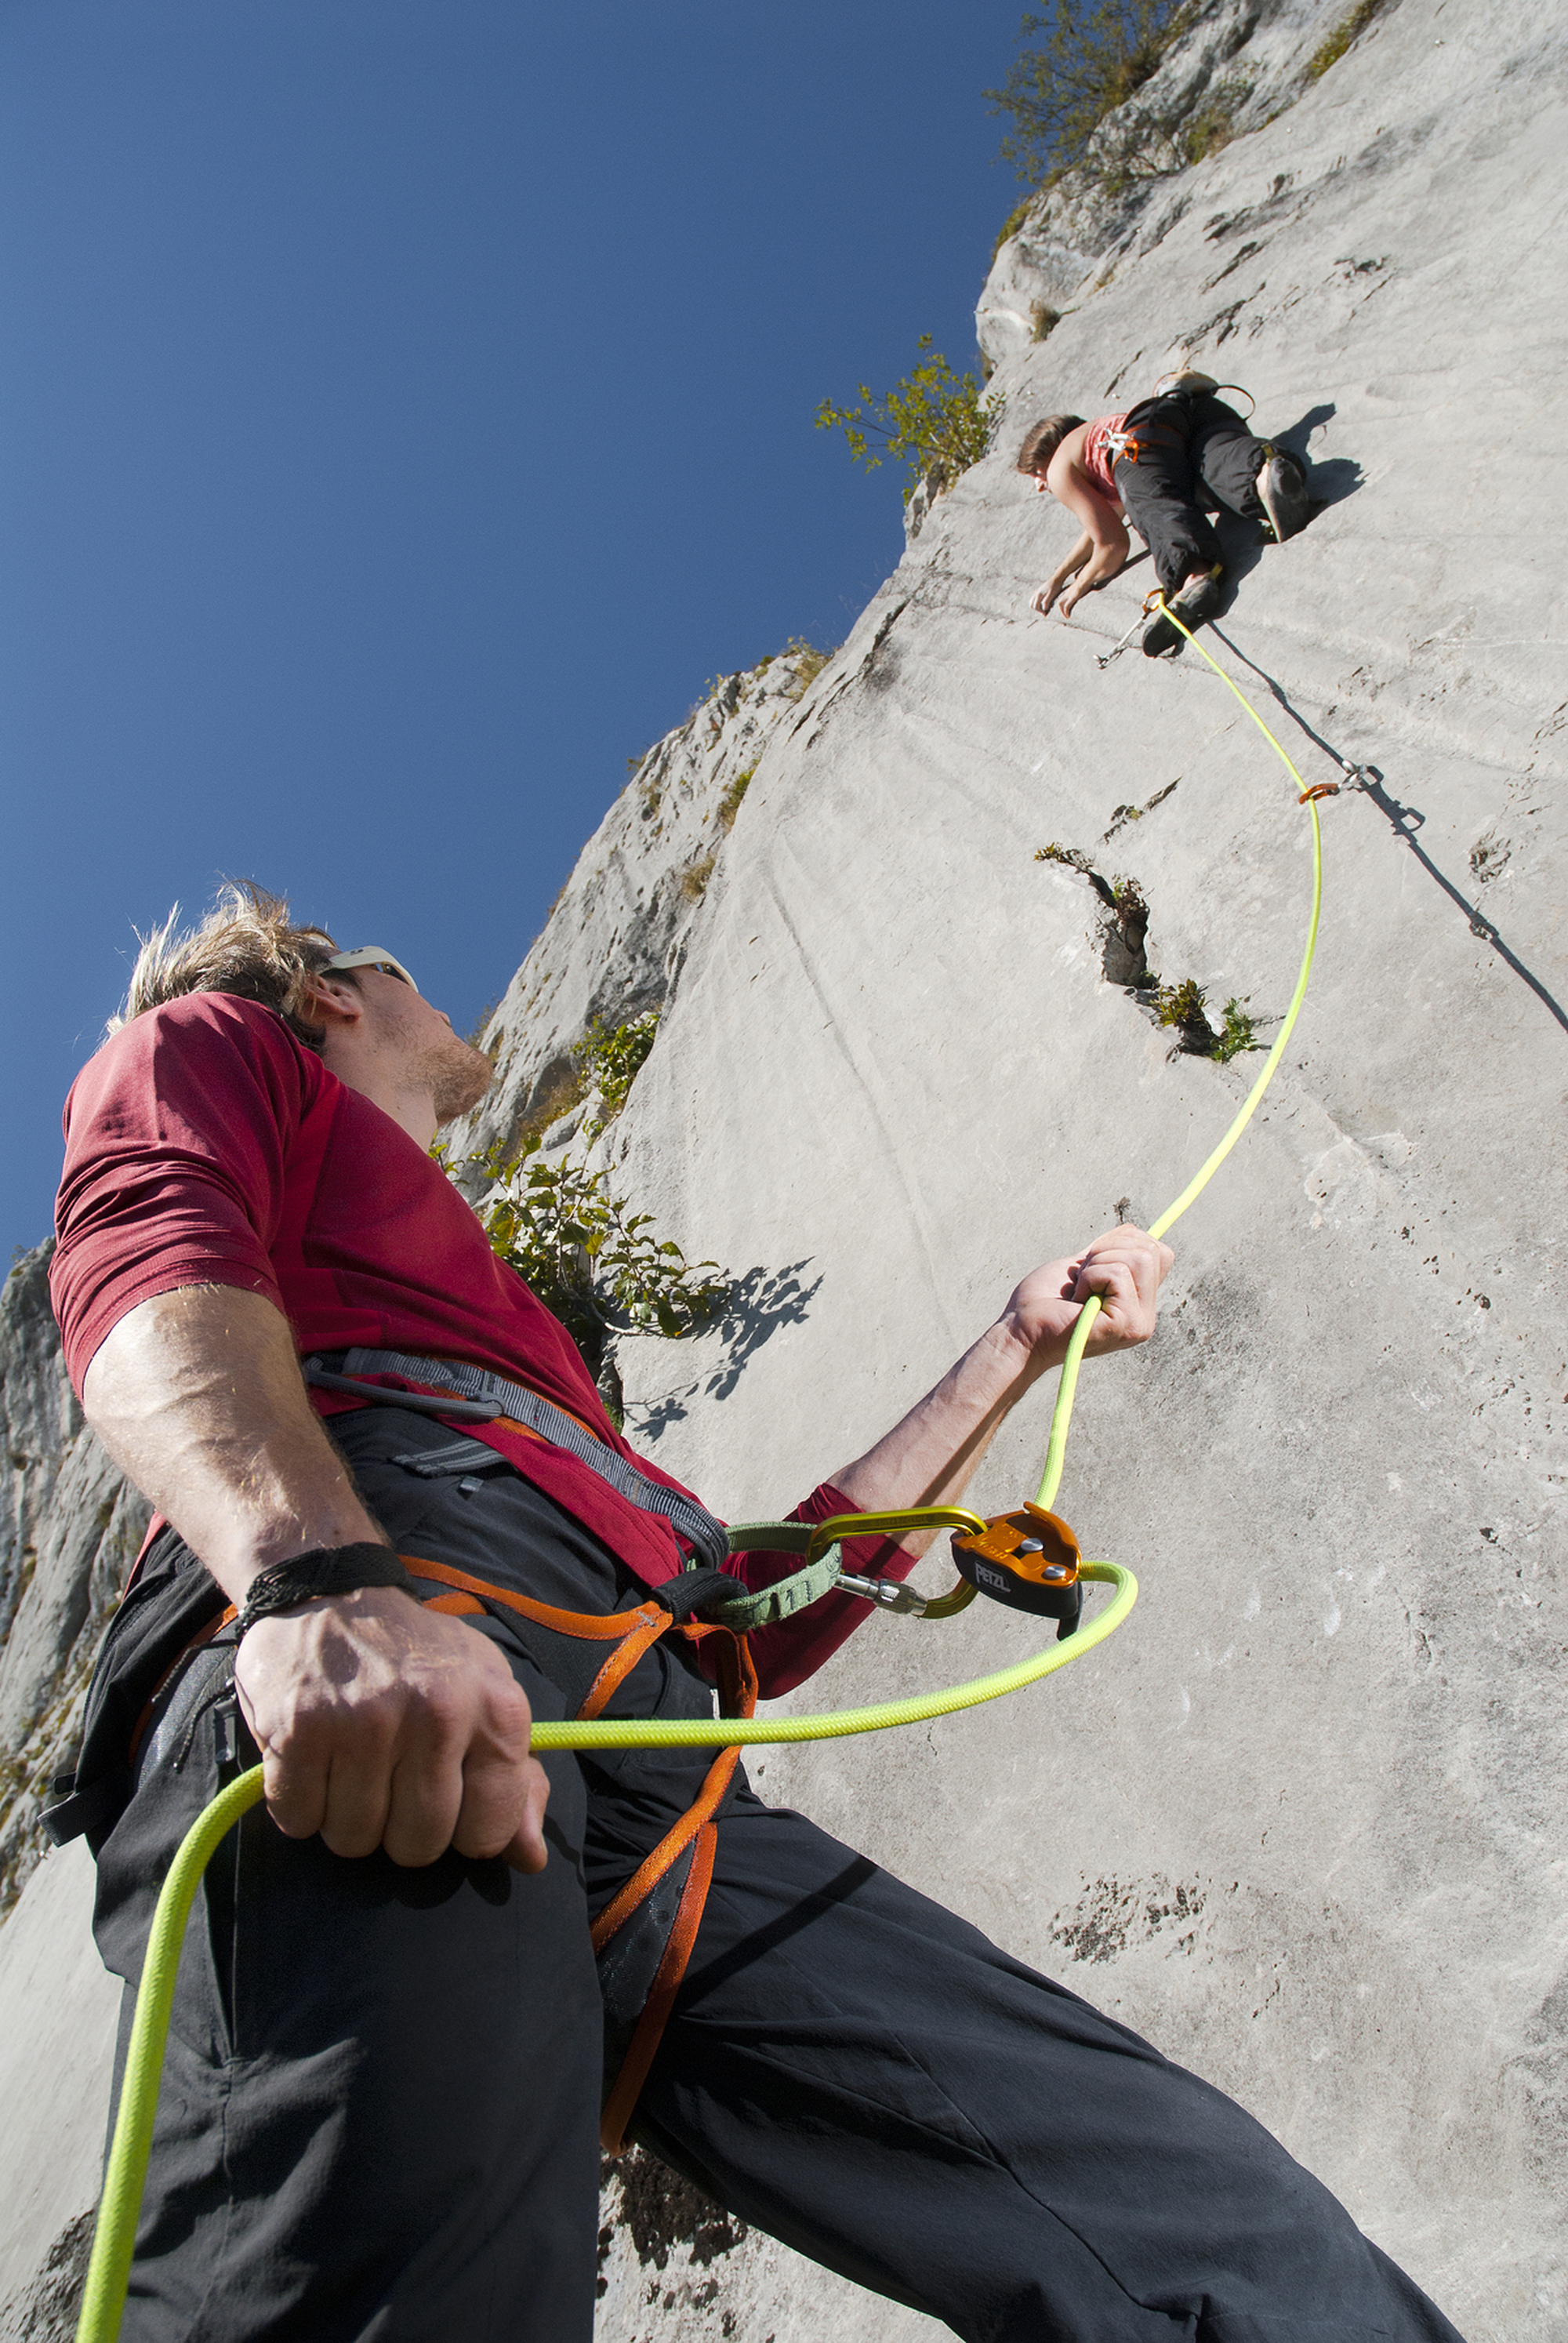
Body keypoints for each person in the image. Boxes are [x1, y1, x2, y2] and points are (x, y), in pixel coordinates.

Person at [46, 885, 1466, 2343]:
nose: (436, 989)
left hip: (660, 1780)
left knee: (1215, 2223)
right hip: (405, 1653)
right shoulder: (215, 1041)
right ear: (330, 991)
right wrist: (314, 1579)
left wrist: (1018, 1342)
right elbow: (142, 1251)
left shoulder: (493, 1319)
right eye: (401, 966)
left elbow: (753, 1608)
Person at [1018, 373, 1311, 655]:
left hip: (1139, 445)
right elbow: (1100, 528)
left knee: (1152, 502)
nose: (1039, 485)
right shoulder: (1095, 439)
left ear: (1050, 451)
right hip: (1188, 420)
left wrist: (1079, 586)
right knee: (1213, 473)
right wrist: (1057, 579)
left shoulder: (1060, 469)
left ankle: (1194, 576)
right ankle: (1264, 475)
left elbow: (1113, 545)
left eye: (1036, 471)